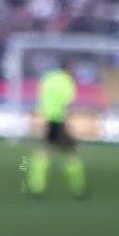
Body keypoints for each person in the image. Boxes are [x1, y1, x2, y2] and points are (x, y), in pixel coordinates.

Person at [25, 64, 89, 200]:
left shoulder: (47, 78)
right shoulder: (67, 81)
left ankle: (36, 186)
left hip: (46, 119)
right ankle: (78, 189)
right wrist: (68, 123)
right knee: (72, 153)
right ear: (68, 69)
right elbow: (67, 104)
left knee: (44, 151)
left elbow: (40, 97)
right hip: (60, 120)